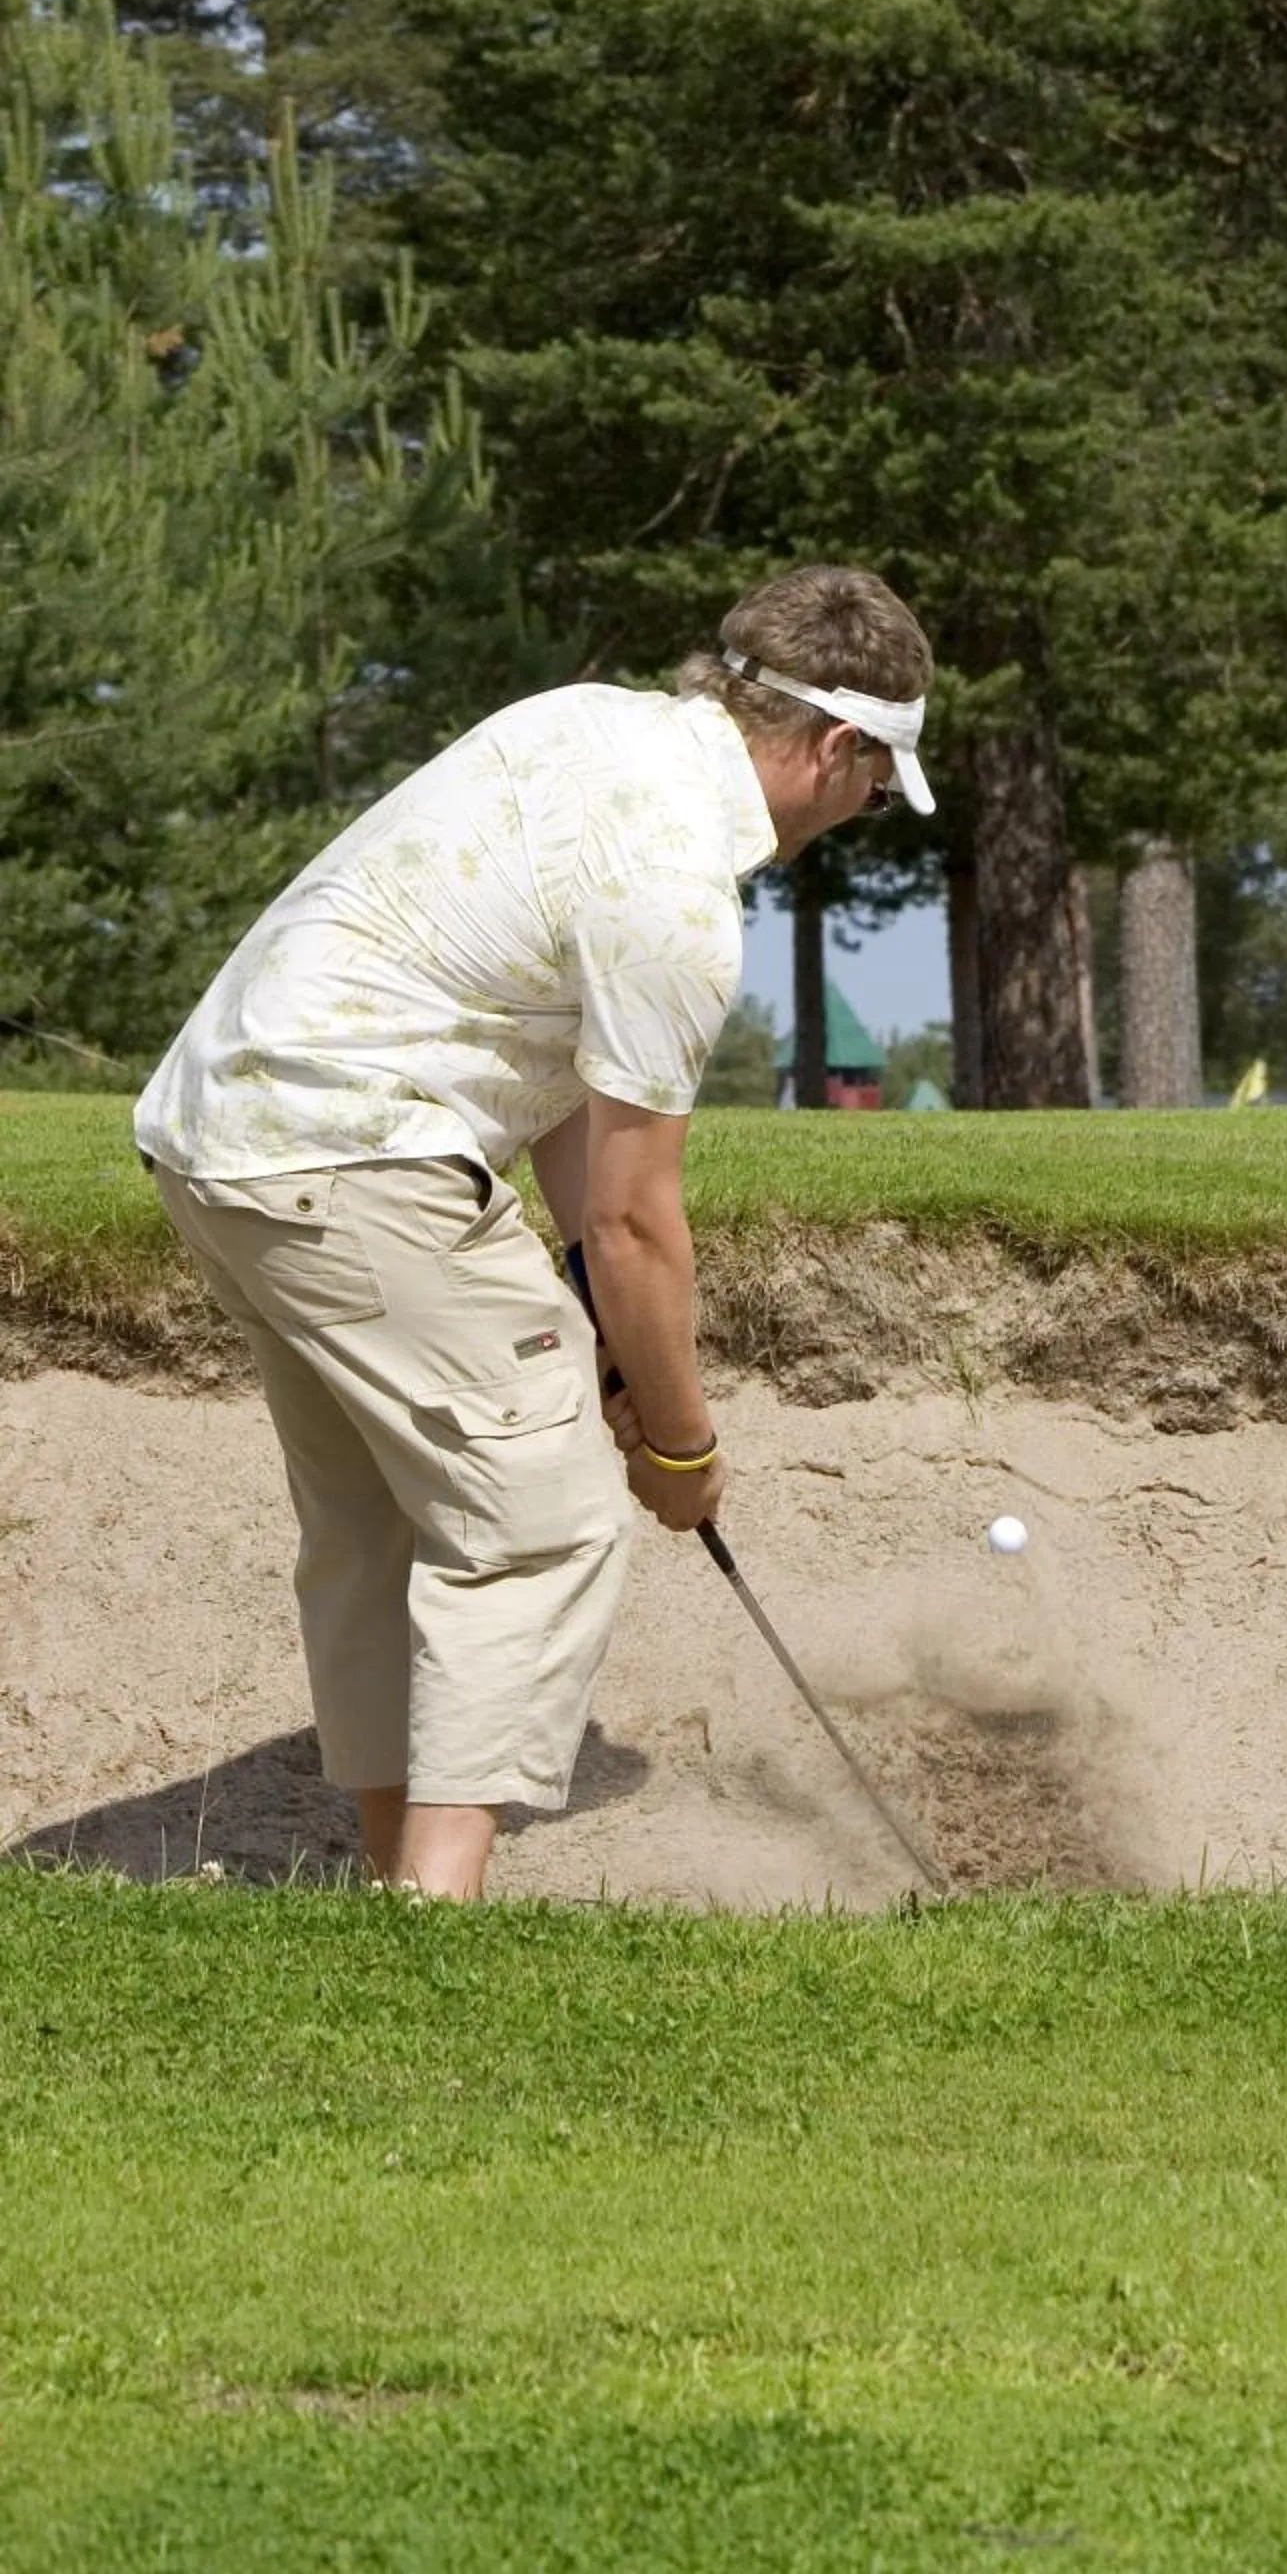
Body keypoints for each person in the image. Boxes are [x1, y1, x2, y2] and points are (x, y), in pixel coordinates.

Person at [135, 563, 935, 1900]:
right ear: (837, 745)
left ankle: (394, 1883)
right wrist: (680, 1444)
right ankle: (437, 1919)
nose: (860, 814)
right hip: (356, 1151)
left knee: (378, 1525)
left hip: (222, 1140)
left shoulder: (583, 724)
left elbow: (564, 1113)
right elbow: (634, 1216)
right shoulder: (679, 888)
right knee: (545, 1512)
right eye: (870, 785)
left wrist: (612, 1343)